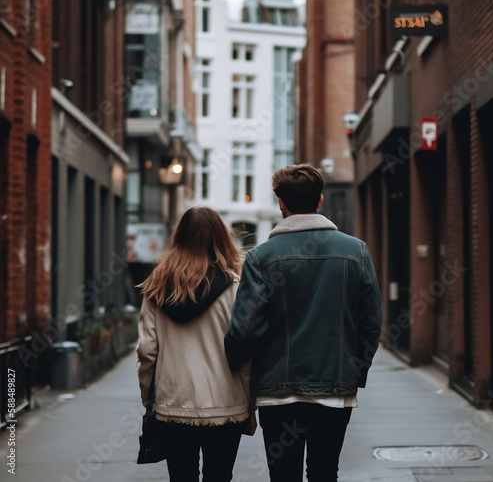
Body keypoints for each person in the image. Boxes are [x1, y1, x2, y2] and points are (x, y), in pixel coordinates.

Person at [224, 164, 382, 482]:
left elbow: (245, 330)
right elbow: (371, 324)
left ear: (281, 203)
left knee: (284, 475)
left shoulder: (261, 258)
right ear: (320, 200)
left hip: (278, 392)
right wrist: (352, 373)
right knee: (325, 472)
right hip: (335, 389)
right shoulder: (356, 251)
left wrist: (235, 369)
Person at [136, 206, 254, 482]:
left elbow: (146, 351)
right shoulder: (237, 288)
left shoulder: (156, 287)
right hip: (227, 403)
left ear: (181, 239)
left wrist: (149, 398)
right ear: (221, 239)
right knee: (219, 476)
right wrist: (252, 402)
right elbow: (246, 349)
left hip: (173, 403)